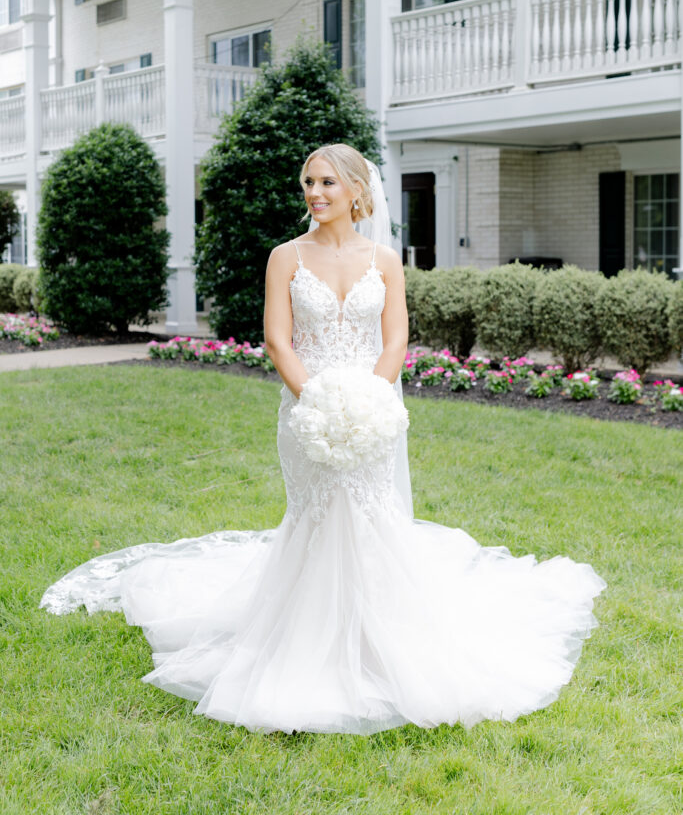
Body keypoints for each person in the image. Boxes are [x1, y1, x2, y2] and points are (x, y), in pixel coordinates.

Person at [41, 143, 606, 735]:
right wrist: (314, 399)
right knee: (317, 514)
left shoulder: (385, 260)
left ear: (357, 191)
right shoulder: (285, 257)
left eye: (328, 182)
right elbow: (279, 342)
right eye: (308, 181)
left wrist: (370, 399)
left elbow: (394, 341)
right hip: (304, 407)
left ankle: (380, 638)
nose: (314, 192)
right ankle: (304, 637)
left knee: (371, 515)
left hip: (371, 409)